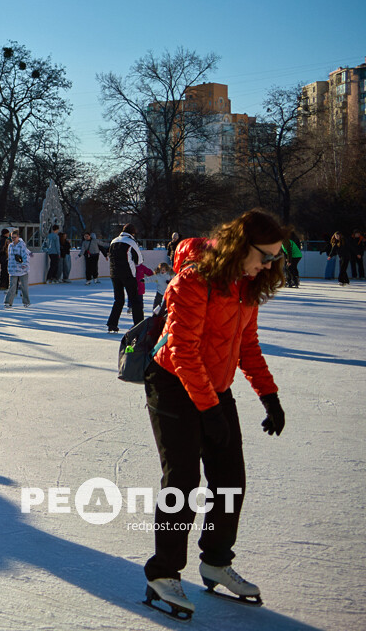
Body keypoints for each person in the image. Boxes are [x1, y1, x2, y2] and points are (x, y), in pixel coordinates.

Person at [141, 208, 287, 617]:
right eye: (265, 255)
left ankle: (216, 561)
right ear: (241, 246)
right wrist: (209, 410)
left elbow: (248, 346)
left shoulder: (246, 284)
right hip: (171, 381)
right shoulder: (194, 278)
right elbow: (183, 350)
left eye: (276, 258)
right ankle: (163, 572)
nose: (269, 265)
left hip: (212, 386)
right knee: (183, 479)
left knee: (230, 479)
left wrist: (269, 396)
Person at [107, 224, 144, 333]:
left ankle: (112, 324)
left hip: (114, 274)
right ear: (133, 233)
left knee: (118, 300)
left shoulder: (113, 241)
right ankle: (139, 325)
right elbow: (139, 260)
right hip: (128, 274)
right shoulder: (131, 242)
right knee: (135, 300)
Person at [3, 228, 31, 308]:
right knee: (12, 286)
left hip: (22, 269)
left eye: (14, 237)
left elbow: (26, 255)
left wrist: (25, 263)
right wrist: (9, 267)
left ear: (18, 237)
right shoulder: (10, 246)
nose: (13, 239)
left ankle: (26, 302)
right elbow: (10, 258)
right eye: (12, 237)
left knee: (24, 286)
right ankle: (8, 302)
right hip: (13, 269)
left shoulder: (22, 245)